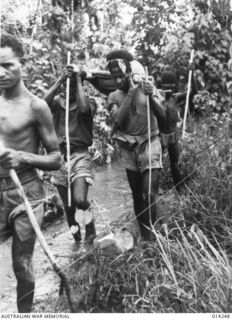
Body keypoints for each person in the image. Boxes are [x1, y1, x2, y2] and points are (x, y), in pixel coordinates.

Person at [0, 32, 62, 313]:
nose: (1, 73)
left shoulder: (37, 107)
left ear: (21, 62)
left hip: (25, 191)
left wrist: (21, 156)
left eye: (8, 65)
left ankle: (23, 315)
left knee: (21, 263)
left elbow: (56, 159)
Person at [106, 50, 164, 241]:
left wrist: (151, 96)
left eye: (121, 75)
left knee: (149, 194)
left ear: (130, 72)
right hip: (128, 147)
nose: (117, 80)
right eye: (114, 77)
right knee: (137, 195)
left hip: (150, 143)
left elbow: (163, 117)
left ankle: (150, 236)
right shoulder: (114, 97)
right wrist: (130, 94)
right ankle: (145, 234)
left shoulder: (146, 87)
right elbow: (116, 121)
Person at [44, 65, 96, 244]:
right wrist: (60, 80)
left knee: (80, 200)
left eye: (74, 85)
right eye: (69, 85)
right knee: (68, 205)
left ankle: (90, 230)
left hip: (80, 155)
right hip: (59, 157)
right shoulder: (58, 102)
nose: (70, 88)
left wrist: (78, 80)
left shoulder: (88, 102)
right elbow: (42, 105)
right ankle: (76, 237)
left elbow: (83, 110)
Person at [156, 67, 198, 190]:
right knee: (155, 165)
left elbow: (193, 92)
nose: (168, 91)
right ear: (161, 87)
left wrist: (192, 74)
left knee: (175, 165)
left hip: (173, 135)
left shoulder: (176, 97)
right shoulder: (156, 97)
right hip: (159, 136)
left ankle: (178, 189)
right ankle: (155, 189)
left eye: (171, 88)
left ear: (174, 87)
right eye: (165, 88)